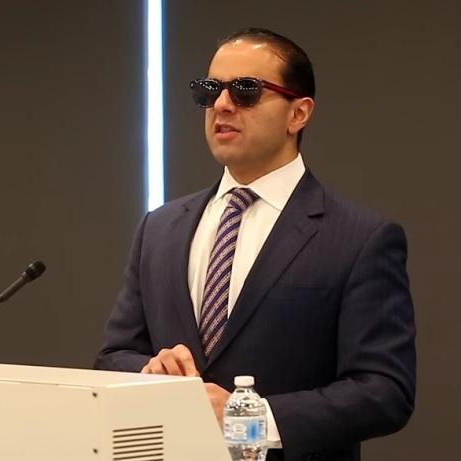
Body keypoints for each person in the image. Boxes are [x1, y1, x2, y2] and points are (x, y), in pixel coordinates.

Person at [94, 27, 416, 461]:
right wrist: (152, 372)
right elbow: (114, 356)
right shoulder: (161, 227)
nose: (222, 105)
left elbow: (384, 391)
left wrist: (250, 418)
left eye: (245, 90)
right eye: (210, 90)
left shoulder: (361, 238)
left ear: (298, 114)